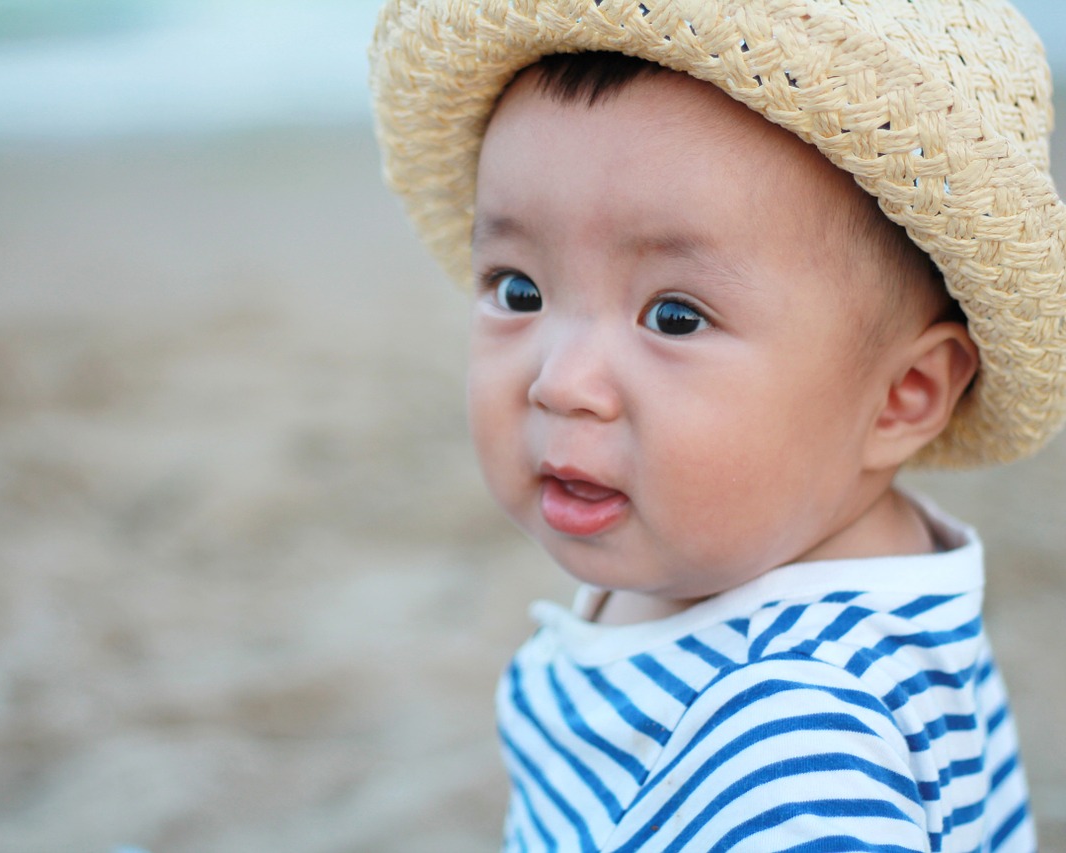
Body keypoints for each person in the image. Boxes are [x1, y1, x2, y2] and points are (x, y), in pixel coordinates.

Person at [369, 1, 1066, 850]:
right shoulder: (752, 551)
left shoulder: (795, 735)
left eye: (674, 316)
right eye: (520, 290)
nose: (561, 382)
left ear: (904, 396)